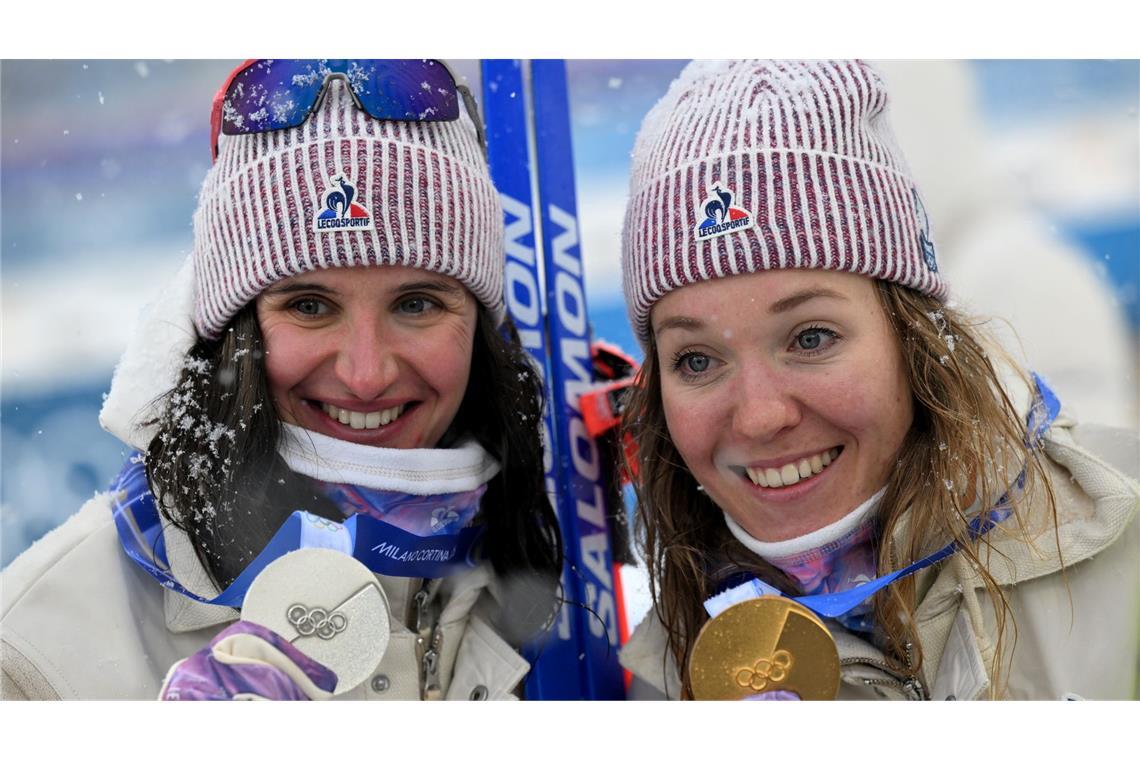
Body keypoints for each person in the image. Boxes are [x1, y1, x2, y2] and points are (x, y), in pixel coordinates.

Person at [1, 59, 562, 700]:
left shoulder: (559, 558)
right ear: (233, 333)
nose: (366, 373)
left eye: (416, 304)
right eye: (309, 306)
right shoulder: (33, 653)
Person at [616, 59, 1139, 700]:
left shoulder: (1124, 556)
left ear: (910, 338)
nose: (758, 416)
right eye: (696, 360)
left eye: (811, 338)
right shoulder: (671, 679)